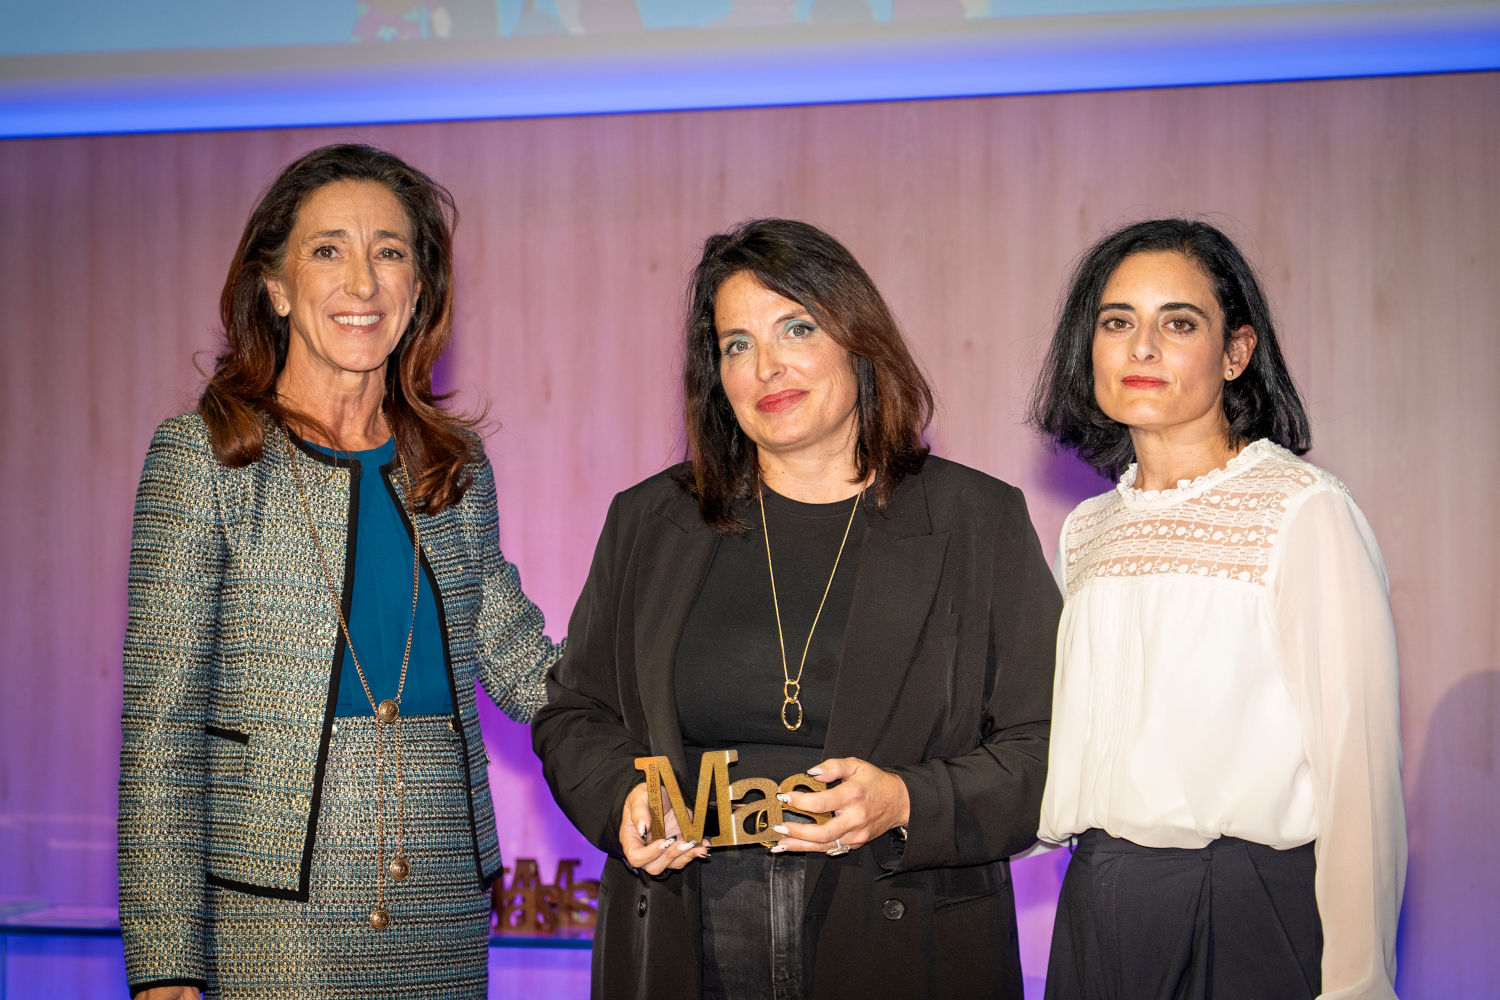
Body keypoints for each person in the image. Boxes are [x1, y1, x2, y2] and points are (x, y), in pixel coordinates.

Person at [533, 218, 1062, 1000]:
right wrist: (624, 800)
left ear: (858, 340)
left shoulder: (974, 520)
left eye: (796, 328)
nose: (766, 366)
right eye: (735, 344)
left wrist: (908, 801)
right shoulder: (651, 521)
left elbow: (1047, 743)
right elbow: (574, 713)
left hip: (898, 922)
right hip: (690, 926)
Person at [118, 144, 563, 1000]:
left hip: (444, 901)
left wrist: (669, 681)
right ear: (276, 287)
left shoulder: (455, 464)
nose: (362, 282)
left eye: (389, 252)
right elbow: (161, 732)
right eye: (328, 250)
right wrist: (165, 959)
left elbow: (518, 660)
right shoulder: (203, 458)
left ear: (419, 289)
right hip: (271, 911)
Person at [1030, 219, 1405, 1000]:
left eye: (1178, 323)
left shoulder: (1304, 511)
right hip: (1097, 903)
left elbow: (1359, 779)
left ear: (1235, 353)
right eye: (1117, 322)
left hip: (1241, 910)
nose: (1142, 349)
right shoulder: (1087, 528)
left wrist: (1358, 984)